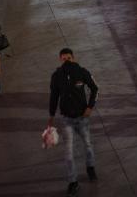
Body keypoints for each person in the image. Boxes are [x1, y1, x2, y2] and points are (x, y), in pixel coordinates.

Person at [47, 48, 99, 196]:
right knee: (68, 152)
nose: (67, 61)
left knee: (88, 145)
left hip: (82, 118)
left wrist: (90, 107)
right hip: (67, 119)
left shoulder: (82, 72)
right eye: (64, 59)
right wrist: (51, 115)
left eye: (69, 58)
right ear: (60, 59)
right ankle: (73, 181)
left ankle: (90, 168)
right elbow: (53, 97)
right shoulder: (56, 76)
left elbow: (95, 88)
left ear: (73, 58)